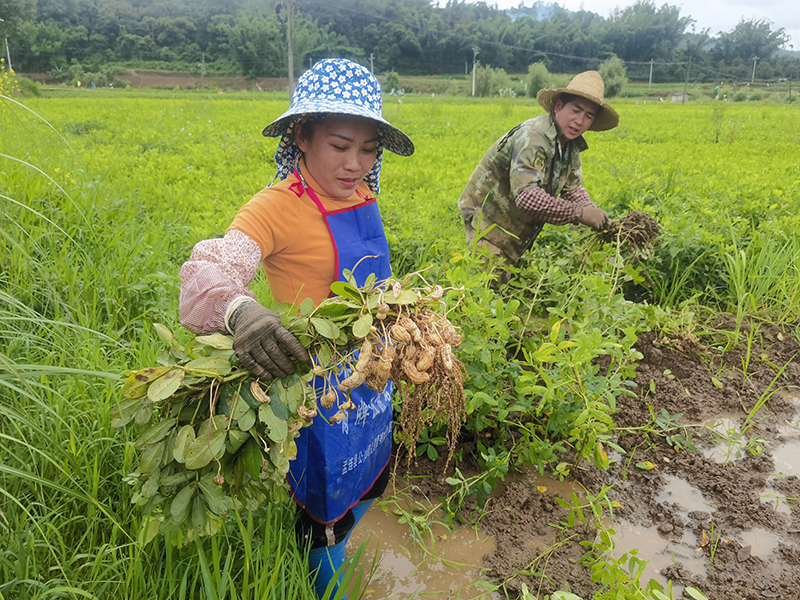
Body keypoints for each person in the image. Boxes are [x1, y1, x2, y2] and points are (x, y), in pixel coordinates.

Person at [178, 58, 414, 598]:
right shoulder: (275, 208)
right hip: (318, 388)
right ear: (301, 136)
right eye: (339, 145)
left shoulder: (362, 195)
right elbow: (206, 270)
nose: (356, 163)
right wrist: (241, 312)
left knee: (372, 476)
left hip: (373, 375)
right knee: (325, 511)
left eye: (369, 148)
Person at [457, 70, 619, 268]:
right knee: (489, 289)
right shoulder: (534, 137)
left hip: (514, 226)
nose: (580, 120)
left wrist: (597, 216)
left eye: (588, 116)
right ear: (559, 106)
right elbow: (528, 197)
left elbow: (573, 190)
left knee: (512, 285)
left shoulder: (570, 146)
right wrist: (580, 214)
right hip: (487, 219)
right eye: (576, 110)